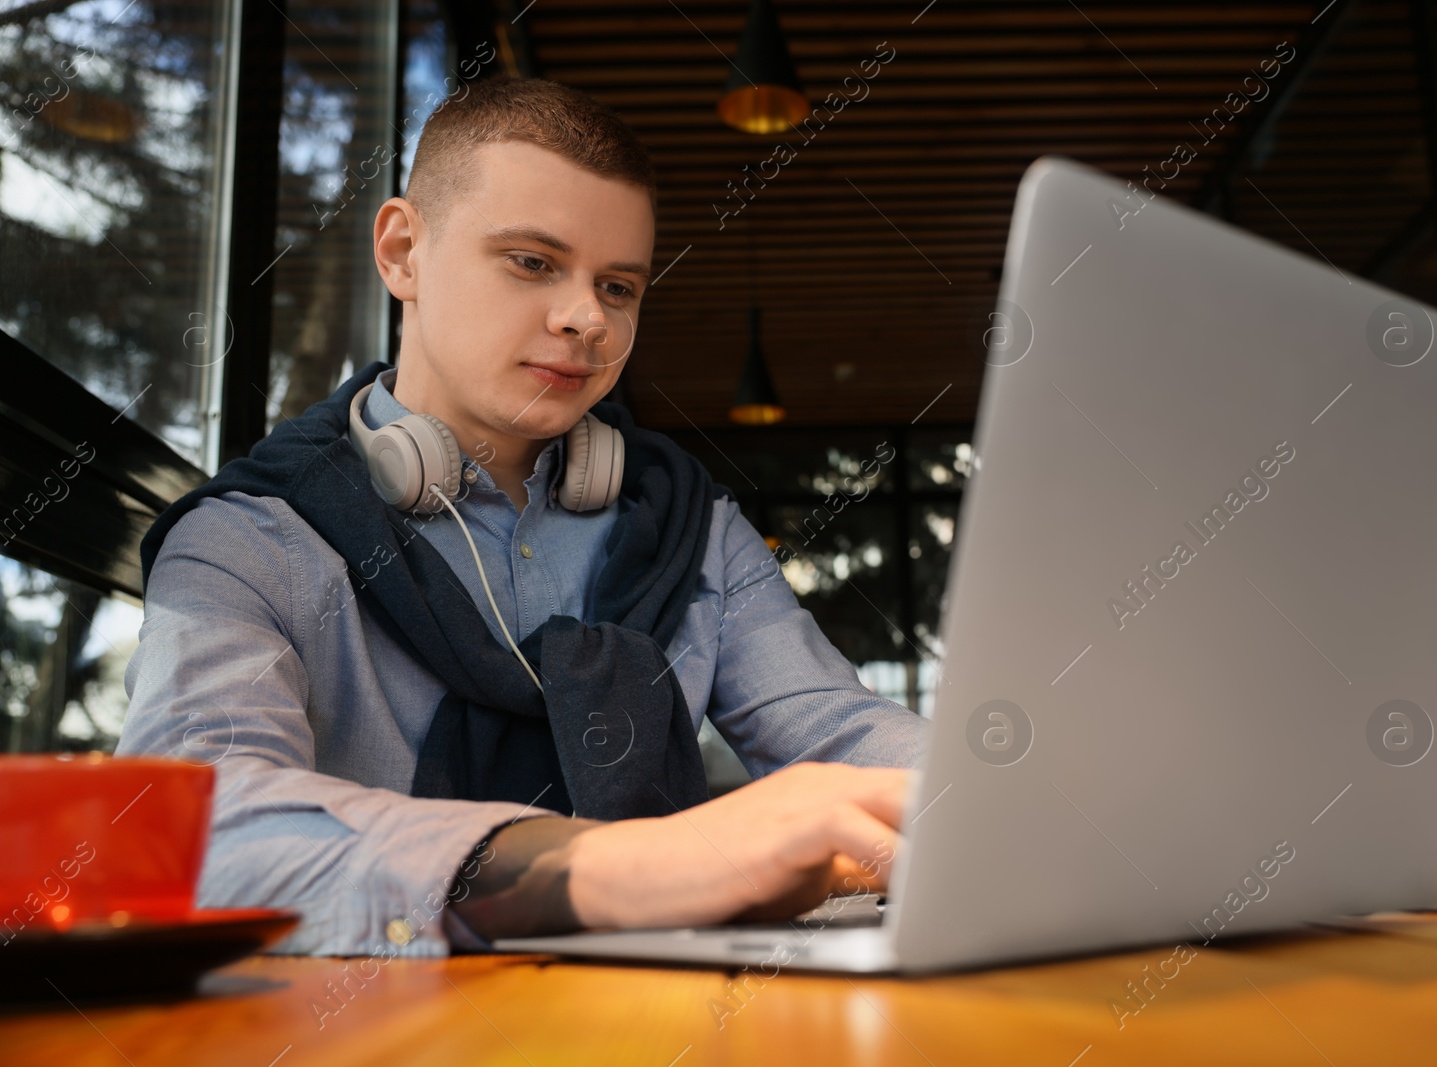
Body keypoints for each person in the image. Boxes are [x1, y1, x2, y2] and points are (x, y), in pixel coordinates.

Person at [115, 75, 930, 957]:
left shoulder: (695, 524)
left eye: (618, 287)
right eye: (534, 262)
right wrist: (619, 866)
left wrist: (1017, 800)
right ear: (401, 252)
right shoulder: (242, 540)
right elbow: (194, 834)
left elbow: (844, 734)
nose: (587, 318)